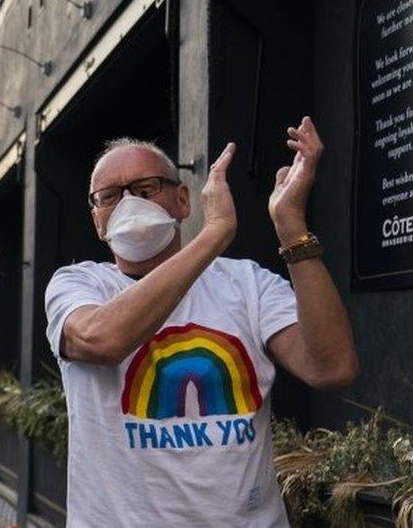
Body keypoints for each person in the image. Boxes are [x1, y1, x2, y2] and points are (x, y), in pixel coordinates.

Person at [44, 120, 359, 527]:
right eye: (108, 197)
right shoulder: (80, 284)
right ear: (96, 221)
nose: (127, 205)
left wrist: (291, 227)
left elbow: (334, 368)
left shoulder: (247, 285)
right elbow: (103, 340)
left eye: (145, 190)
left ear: (182, 201)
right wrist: (214, 234)